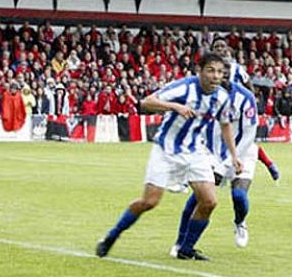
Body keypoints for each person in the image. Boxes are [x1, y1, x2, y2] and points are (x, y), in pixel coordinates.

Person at [95, 53, 241, 261]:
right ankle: (112, 236)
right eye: (210, 70)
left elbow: (225, 125)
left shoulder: (223, 98)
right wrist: (174, 106)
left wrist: (234, 155)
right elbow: (147, 102)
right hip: (166, 151)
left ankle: (186, 249)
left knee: (209, 202)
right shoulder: (184, 88)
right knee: (150, 202)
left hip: (194, 152)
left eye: (219, 72)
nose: (215, 76)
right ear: (199, 71)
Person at [172, 62, 259, 253]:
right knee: (199, 198)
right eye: (218, 74)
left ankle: (240, 221)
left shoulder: (246, 98)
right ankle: (180, 242)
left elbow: (248, 136)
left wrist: (228, 163)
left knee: (238, 195)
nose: (221, 78)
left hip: (242, 152)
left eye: (225, 74)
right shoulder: (207, 95)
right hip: (213, 153)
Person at [211, 36, 280, 181]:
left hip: (235, 109)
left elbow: (248, 83)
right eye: (216, 47)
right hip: (215, 108)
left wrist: (251, 99)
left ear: (227, 49)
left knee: (243, 141)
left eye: (222, 46)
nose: (219, 49)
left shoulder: (236, 68)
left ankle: (268, 164)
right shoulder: (208, 69)